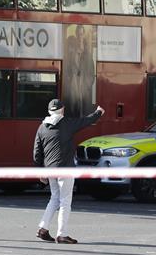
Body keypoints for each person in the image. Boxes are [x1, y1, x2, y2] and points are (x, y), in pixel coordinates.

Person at [33, 99, 104, 244]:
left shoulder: (42, 127)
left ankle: (43, 229)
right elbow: (86, 121)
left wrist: (41, 171)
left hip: (50, 169)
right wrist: (98, 112)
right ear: (62, 110)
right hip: (65, 168)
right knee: (65, 201)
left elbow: (37, 153)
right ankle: (62, 234)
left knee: (54, 198)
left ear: (49, 111)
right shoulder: (67, 123)